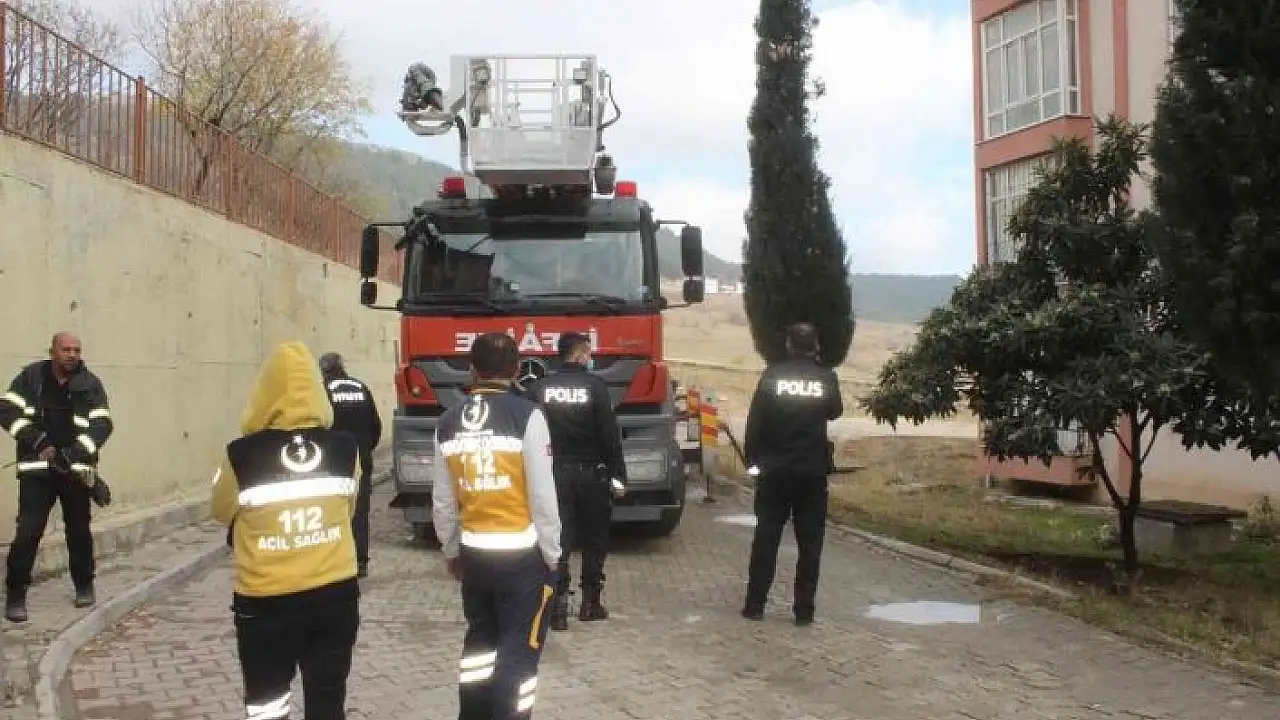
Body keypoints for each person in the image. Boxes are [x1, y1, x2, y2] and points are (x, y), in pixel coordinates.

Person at [212, 341, 362, 720]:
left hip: (266, 602)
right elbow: (348, 507)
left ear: (263, 392)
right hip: (334, 595)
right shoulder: (345, 448)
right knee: (327, 701)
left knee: (267, 703)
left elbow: (220, 510)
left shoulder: (240, 454)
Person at [432, 332, 561, 720]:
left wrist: (451, 551)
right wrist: (552, 554)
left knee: (479, 648)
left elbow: (443, 501)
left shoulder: (447, 422)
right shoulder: (528, 416)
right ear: (517, 369)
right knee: (518, 655)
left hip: (475, 556)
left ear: (472, 369)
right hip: (522, 559)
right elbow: (542, 494)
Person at [1, 332, 113, 622]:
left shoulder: (90, 384)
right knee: (28, 531)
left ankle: (84, 585)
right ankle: (15, 595)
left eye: (76, 350)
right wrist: (37, 440)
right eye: (66, 350)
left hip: (74, 472)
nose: (72, 355)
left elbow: (102, 425)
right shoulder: (31, 378)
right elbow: (6, 410)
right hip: (36, 471)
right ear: (52, 351)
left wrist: (74, 453)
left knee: (78, 531)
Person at [740, 322, 844, 625]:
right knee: (810, 545)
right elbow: (835, 411)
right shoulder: (826, 377)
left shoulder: (772, 376)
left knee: (766, 538)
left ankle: (755, 605)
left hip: (774, 473)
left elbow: (755, 423)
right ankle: (804, 611)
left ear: (789, 344)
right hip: (811, 474)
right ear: (815, 346)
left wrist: (753, 462)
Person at [525, 332, 626, 630]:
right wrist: (618, 476)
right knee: (595, 538)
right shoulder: (595, 387)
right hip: (591, 474)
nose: (590, 358)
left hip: (552, 475)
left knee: (559, 538)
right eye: (588, 353)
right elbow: (609, 436)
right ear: (580, 354)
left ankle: (557, 607)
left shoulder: (539, 388)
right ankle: (590, 603)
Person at [318, 352, 382, 578]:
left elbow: (319, 427)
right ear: (342, 366)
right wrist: (365, 450)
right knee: (360, 513)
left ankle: (336, 563)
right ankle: (360, 562)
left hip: (332, 464)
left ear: (323, 370)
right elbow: (376, 426)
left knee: (333, 513)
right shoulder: (361, 388)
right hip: (361, 461)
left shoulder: (322, 392)